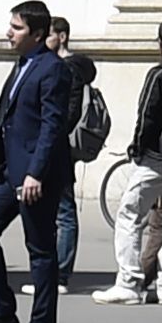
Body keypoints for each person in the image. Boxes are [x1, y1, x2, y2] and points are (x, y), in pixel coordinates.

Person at [0, 0, 72, 323]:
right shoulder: (23, 64)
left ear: (38, 34)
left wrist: (36, 173)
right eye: (10, 25)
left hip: (34, 175)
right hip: (8, 171)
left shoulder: (51, 69)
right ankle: (3, 314)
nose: (8, 33)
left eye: (17, 27)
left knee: (40, 250)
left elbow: (52, 126)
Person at [96, 15, 162, 305]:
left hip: (160, 155)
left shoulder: (160, 73)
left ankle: (128, 281)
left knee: (130, 212)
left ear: (160, 43)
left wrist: (137, 147)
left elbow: (148, 115)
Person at [47, 15, 95, 285]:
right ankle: (56, 271)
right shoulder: (70, 67)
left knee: (64, 211)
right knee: (59, 209)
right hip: (60, 146)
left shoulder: (70, 69)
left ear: (62, 37)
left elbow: (69, 111)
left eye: (50, 34)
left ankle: (60, 274)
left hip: (59, 147)